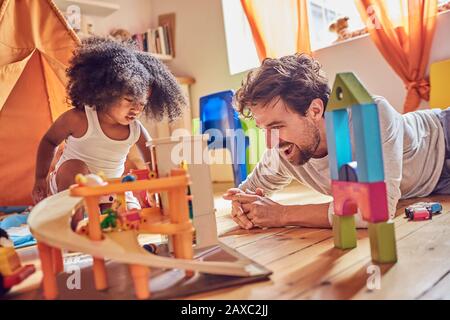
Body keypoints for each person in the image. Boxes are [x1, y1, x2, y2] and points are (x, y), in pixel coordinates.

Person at [224, 53, 450, 230]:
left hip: (443, 137)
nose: (270, 143)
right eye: (263, 129)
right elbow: (247, 192)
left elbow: (376, 209)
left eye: (276, 126)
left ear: (314, 110)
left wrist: (282, 214)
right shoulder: (282, 148)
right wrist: (241, 205)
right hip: (429, 185)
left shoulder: (370, 114)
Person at [32, 37, 186, 210]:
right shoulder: (80, 118)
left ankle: (103, 220)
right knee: (75, 168)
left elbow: (154, 159)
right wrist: (40, 178)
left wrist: (156, 187)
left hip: (110, 191)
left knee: (132, 212)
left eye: (142, 103)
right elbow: (49, 141)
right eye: (129, 100)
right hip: (69, 187)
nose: (136, 109)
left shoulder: (135, 130)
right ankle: (73, 228)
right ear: (107, 93)